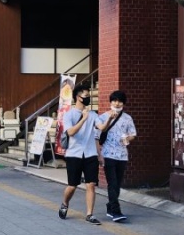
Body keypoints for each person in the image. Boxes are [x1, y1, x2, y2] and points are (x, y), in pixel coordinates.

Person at [58, 83, 104, 225]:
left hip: (90, 154)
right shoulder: (69, 115)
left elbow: (101, 127)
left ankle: (89, 214)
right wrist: (83, 119)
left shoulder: (93, 114)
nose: (88, 98)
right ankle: (65, 203)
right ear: (78, 97)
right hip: (74, 154)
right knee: (72, 185)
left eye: (89, 96)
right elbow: (70, 132)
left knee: (91, 184)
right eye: (85, 96)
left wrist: (110, 119)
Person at [96, 90, 137, 222]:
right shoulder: (102, 116)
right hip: (108, 154)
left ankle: (110, 206)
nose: (117, 103)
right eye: (114, 100)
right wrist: (99, 155)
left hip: (122, 155)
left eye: (119, 101)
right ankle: (116, 210)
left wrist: (128, 139)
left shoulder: (127, 118)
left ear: (123, 103)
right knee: (112, 182)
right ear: (110, 102)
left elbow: (133, 134)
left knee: (117, 183)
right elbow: (98, 134)